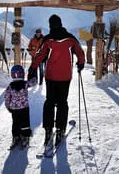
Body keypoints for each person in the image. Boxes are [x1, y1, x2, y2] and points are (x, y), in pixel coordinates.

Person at [28, 14, 85, 146]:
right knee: (62, 103)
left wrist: (32, 68)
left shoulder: (48, 39)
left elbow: (40, 54)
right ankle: (60, 130)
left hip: (51, 77)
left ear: (50, 25)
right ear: (61, 23)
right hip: (65, 77)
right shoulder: (70, 38)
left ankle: (48, 131)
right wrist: (81, 63)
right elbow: (80, 51)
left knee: (49, 102)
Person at [4, 64, 37, 149]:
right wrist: (33, 76)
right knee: (25, 123)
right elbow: (33, 83)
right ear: (22, 74)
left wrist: (8, 106)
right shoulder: (25, 84)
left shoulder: (10, 86)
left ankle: (16, 137)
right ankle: (25, 137)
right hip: (24, 109)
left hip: (14, 109)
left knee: (15, 123)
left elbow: (7, 97)